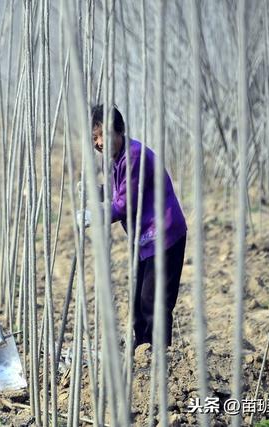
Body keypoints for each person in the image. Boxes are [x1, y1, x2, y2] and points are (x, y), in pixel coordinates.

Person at [86, 105, 187, 349]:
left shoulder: (134, 156)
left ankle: (159, 356)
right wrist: (96, 192)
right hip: (146, 240)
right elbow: (118, 190)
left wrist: (94, 215)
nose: (100, 142)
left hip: (164, 235)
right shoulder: (119, 157)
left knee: (153, 300)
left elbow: (124, 204)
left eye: (104, 135)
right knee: (139, 301)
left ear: (119, 131)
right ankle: (143, 350)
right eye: (95, 138)